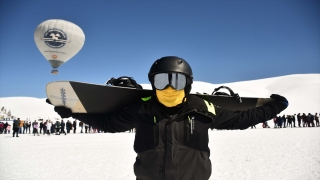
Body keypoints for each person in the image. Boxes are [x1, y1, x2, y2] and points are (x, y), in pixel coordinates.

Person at [52, 56, 288, 180]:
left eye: (177, 81)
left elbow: (240, 120)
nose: (169, 88)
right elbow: (110, 125)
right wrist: (75, 113)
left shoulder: (203, 108)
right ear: (152, 83)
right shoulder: (141, 109)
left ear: (188, 84)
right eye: (161, 81)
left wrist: (274, 108)